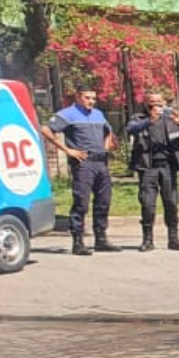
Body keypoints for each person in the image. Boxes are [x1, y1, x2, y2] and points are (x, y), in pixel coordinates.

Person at [41, 86, 119, 255]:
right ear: (78, 97)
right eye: (87, 97)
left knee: (103, 201)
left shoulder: (98, 114)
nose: (91, 101)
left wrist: (106, 146)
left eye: (93, 98)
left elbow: (108, 131)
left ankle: (101, 239)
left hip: (101, 163)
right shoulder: (67, 114)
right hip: (83, 163)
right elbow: (46, 130)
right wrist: (68, 150)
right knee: (81, 202)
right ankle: (78, 241)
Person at [124, 91, 179, 251]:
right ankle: (148, 240)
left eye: (159, 103)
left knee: (171, 203)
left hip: (168, 167)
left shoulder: (171, 117)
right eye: (152, 104)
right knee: (148, 204)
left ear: (164, 103)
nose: (156, 107)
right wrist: (150, 120)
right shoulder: (139, 118)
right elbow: (131, 129)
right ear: (145, 104)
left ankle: (173, 239)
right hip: (148, 167)